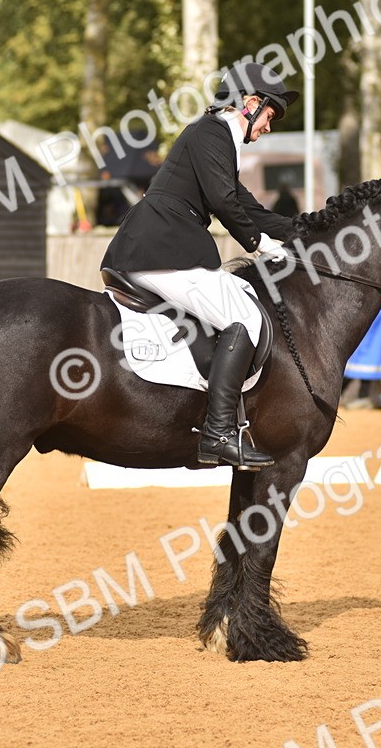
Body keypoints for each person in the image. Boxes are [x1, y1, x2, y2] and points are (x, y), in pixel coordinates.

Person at [100, 62, 298, 469]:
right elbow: (226, 204)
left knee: (239, 306)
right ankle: (219, 433)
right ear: (250, 103)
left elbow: (242, 203)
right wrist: (260, 245)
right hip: (160, 249)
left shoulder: (218, 139)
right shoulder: (211, 132)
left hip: (160, 247)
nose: (268, 128)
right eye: (269, 117)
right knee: (244, 318)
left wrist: (302, 230)